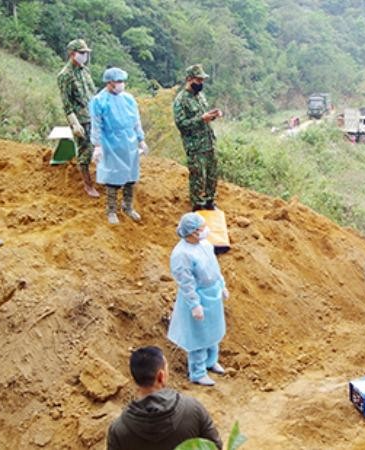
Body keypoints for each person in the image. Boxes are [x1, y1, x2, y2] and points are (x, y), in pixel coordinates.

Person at [107, 346, 222, 449]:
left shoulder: (119, 430)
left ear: (135, 379)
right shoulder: (193, 409)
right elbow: (215, 447)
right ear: (161, 376)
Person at [167, 213, 229, 386]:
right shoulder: (182, 254)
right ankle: (198, 372)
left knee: (213, 331)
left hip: (213, 294)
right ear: (193, 232)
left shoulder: (205, 244)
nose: (205, 230)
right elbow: (186, 282)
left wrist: (221, 284)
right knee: (198, 337)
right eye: (202, 228)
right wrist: (195, 304)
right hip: (199, 296)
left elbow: (214, 267)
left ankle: (211, 362)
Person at [90, 67, 148, 225]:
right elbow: (96, 125)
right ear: (109, 83)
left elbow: (136, 121)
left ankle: (128, 207)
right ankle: (111, 210)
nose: (122, 84)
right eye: (119, 81)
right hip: (111, 143)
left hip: (129, 143)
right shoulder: (99, 101)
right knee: (113, 178)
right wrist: (97, 145)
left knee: (131, 176)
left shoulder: (128, 99)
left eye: (123, 81)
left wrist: (141, 139)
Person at [172, 64, 223, 211]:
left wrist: (212, 115)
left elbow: (204, 117)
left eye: (202, 80)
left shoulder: (200, 96)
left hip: (209, 142)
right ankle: (197, 204)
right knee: (197, 176)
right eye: (198, 80)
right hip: (195, 146)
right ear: (189, 79)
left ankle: (209, 201)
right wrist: (201, 119)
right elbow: (181, 124)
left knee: (212, 174)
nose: (201, 83)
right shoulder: (180, 100)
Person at [57, 39, 99, 198]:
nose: (85, 56)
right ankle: (88, 185)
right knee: (85, 150)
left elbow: (92, 93)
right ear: (72, 54)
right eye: (82, 53)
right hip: (81, 119)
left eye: (86, 53)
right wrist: (74, 124)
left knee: (99, 146)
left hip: (94, 115)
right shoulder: (64, 76)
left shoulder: (84, 71)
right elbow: (66, 104)